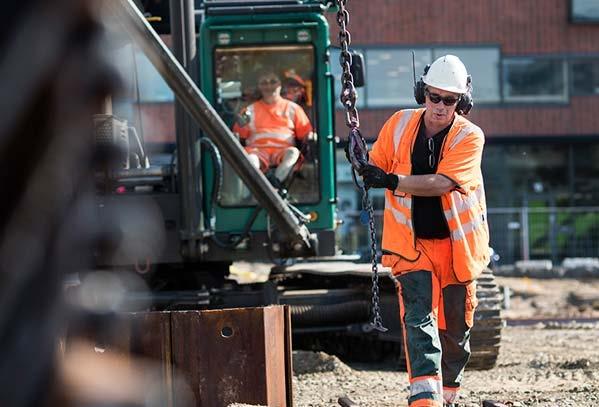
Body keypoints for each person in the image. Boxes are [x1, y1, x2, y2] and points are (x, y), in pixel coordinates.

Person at [358, 55, 490, 407]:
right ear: (423, 93)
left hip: (456, 248)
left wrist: (392, 181)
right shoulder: (399, 124)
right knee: (417, 316)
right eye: (435, 97)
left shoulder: (470, 136)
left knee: (455, 329)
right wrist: (361, 162)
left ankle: (449, 394)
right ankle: (424, 398)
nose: (441, 107)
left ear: (462, 102)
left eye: (450, 100)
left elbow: (442, 183)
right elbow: (377, 165)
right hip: (412, 245)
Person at [233, 70, 313, 186]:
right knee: (251, 160)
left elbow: (305, 134)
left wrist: (311, 135)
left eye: (273, 82)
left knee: (293, 153)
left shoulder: (293, 109)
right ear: (259, 86)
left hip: (282, 151)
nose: (269, 86)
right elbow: (238, 135)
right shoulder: (250, 110)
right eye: (264, 83)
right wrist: (240, 123)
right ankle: (253, 190)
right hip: (258, 151)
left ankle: (275, 185)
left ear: (281, 84)